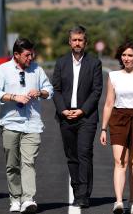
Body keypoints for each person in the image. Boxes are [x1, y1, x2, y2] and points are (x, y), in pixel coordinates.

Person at [0, 38, 54, 213]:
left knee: (29, 162)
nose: (30, 58)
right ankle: (15, 198)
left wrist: (40, 92)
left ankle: (28, 199)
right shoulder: (3, 70)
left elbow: (50, 90)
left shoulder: (37, 70)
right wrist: (13, 97)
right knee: (12, 164)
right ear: (16, 55)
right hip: (10, 123)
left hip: (32, 125)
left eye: (32, 54)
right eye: (27, 55)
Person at [100, 40, 133, 214]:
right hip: (119, 118)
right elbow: (109, 103)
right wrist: (103, 128)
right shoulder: (114, 76)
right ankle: (118, 202)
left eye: (130, 55)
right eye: (124, 55)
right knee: (120, 161)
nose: (126, 58)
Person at [51, 25, 102, 208]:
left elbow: (97, 91)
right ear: (69, 42)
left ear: (85, 42)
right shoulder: (61, 62)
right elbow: (55, 89)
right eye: (74, 40)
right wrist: (63, 109)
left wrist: (82, 110)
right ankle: (76, 189)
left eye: (80, 40)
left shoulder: (94, 63)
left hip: (86, 116)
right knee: (71, 156)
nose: (77, 43)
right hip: (65, 115)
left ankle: (84, 194)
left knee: (84, 153)